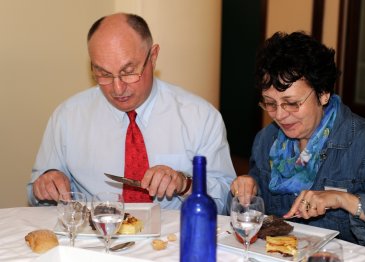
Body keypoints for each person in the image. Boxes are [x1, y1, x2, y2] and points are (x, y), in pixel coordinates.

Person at [27, 13, 236, 214]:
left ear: (153, 57)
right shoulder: (68, 117)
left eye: (128, 72)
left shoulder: (200, 117)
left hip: (173, 242)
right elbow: (35, 195)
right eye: (104, 74)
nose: (117, 89)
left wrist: (186, 184)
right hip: (96, 237)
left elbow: (226, 202)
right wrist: (46, 184)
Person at [229, 31, 365, 251]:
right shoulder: (266, 140)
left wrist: (344, 200)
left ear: (323, 93)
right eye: (270, 103)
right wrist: (245, 190)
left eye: (291, 103)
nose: (279, 115)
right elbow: (249, 218)